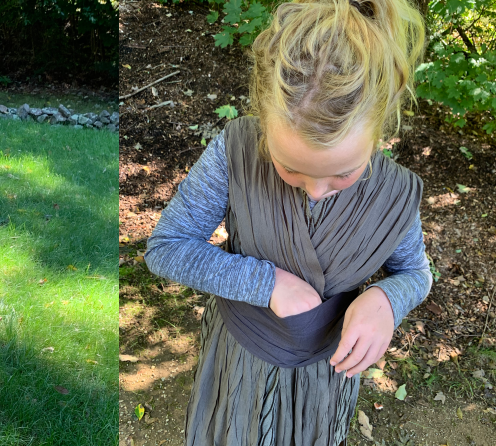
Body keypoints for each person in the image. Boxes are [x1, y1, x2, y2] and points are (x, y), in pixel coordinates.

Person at [144, 0, 431, 444]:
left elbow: (415, 273)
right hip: (238, 356)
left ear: (378, 130)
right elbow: (166, 247)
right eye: (291, 168)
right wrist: (266, 284)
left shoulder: (395, 195)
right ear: (264, 117)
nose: (315, 190)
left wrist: (388, 299)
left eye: (343, 173)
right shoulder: (235, 150)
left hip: (327, 374)